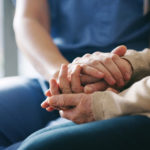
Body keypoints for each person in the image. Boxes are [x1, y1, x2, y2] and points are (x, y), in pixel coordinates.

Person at [0, 0, 149, 149]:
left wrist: (124, 67)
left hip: (127, 85)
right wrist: (64, 76)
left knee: (36, 146)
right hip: (54, 74)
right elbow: (29, 19)